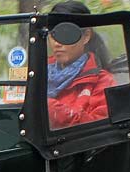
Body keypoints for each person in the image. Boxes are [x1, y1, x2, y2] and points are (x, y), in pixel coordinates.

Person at [47, 1, 117, 129]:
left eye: (66, 33)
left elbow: (99, 129)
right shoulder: (37, 73)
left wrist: (49, 108)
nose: (57, 43)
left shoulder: (103, 81)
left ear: (86, 36)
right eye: (53, 34)